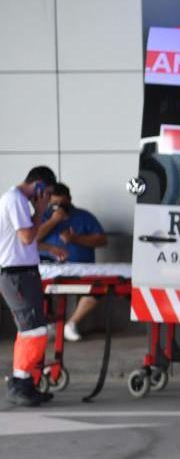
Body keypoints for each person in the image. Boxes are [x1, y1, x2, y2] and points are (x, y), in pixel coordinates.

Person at [1, 166, 59, 406]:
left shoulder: (19, 202)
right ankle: (20, 382)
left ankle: (24, 381)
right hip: (16, 275)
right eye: (47, 192)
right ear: (39, 186)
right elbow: (27, 236)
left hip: (23, 274)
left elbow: (25, 241)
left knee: (30, 329)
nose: (46, 197)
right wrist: (41, 211)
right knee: (33, 330)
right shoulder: (15, 200)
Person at [37, 183, 108, 342]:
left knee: (98, 289)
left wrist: (74, 239)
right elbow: (30, 240)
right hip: (49, 269)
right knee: (34, 288)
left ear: (69, 199)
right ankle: (48, 325)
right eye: (54, 204)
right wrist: (54, 221)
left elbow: (102, 240)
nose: (58, 207)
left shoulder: (84, 216)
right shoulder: (42, 216)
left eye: (61, 204)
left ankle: (71, 324)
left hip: (81, 269)